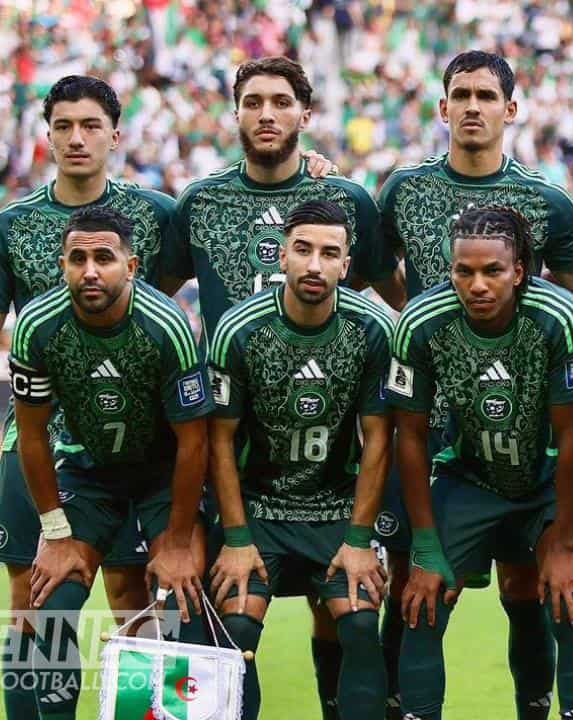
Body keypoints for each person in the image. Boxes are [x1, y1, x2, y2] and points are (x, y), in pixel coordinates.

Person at [362, 50, 573, 718]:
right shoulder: (404, 190)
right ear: (443, 107)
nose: (473, 106)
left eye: (486, 95)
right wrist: (425, 324)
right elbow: (370, 269)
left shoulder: (546, 202)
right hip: (441, 441)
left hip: (530, 437)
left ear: (511, 108)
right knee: (412, 587)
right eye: (461, 95)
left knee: (531, 590)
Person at [164, 56, 401, 720]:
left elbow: (390, 293)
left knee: (350, 620)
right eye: (253, 102)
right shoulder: (200, 202)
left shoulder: (346, 201)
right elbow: (146, 290)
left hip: (331, 465)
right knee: (214, 621)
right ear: (235, 112)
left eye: (281, 102)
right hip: (238, 462)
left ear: (305, 113)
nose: (266, 114)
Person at [0, 75, 179, 720]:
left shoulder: (157, 215)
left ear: (115, 135)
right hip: (40, 442)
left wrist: (314, 171)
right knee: (32, 597)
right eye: (64, 126)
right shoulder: (10, 224)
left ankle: (141, 710)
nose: (77, 138)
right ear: (47, 136)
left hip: (132, 444)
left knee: (134, 596)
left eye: (90, 125)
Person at [387, 206, 573, 720]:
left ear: (519, 271)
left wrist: (564, 544)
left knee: (569, 597)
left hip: (548, 480)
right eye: (464, 271)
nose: (477, 285)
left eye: (493, 271)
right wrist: (424, 547)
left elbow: (572, 436)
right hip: (468, 478)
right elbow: (410, 437)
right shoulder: (420, 322)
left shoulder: (559, 316)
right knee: (422, 602)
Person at [9, 206, 212, 720]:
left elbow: (194, 442)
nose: (90, 271)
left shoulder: (167, 324)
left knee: (181, 602)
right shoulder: (37, 325)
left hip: (162, 474)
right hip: (87, 471)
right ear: (62, 266)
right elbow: (32, 436)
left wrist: (179, 541)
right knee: (52, 605)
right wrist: (56, 533)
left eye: (104, 258)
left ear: (132, 266)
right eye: (78, 260)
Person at [207, 200, 393, 720]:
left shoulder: (372, 328)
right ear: (282, 256)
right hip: (258, 510)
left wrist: (360, 539)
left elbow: (378, 439)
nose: (315, 265)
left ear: (346, 264)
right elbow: (218, 441)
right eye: (303, 250)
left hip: (335, 509)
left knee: (360, 623)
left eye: (329, 254)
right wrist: (236, 539)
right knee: (235, 627)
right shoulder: (239, 330)